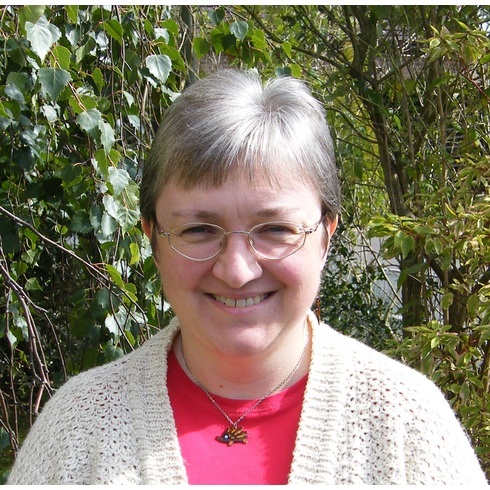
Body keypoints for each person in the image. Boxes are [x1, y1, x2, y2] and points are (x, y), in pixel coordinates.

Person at [7, 69, 487, 485]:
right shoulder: (77, 429)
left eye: (275, 229)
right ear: (153, 237)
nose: (236, 271)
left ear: (326, 235)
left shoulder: (407, 425)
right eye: (198, 230)